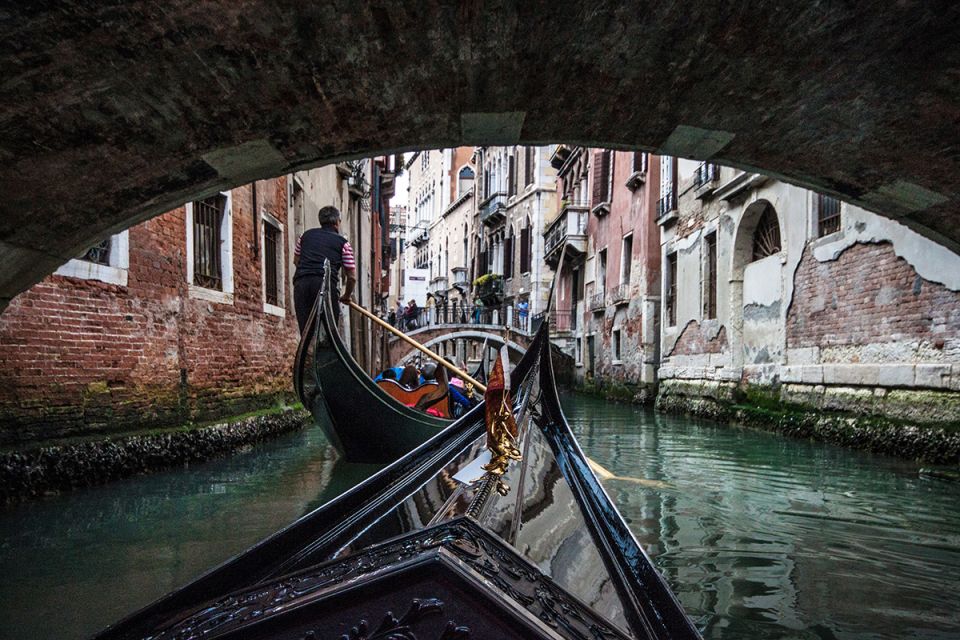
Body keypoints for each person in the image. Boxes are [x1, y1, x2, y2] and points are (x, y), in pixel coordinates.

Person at [293, 206, 356, 333]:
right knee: (330, 331)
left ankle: (307, 351)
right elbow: (352, 277)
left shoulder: (305, 236)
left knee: (306, 331)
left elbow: (296, 261)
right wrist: (347, 296)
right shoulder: (343, 243)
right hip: (325, 286)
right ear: (337, 222)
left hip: (301, 284)